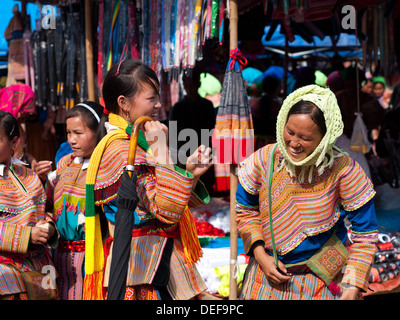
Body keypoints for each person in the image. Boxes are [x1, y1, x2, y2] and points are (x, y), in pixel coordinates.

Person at [83, 59, 212, 300]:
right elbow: (167, 211)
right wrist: (161, 150)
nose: (159, 104)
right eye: (151, 98)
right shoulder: (123, 150)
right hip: (142, 269)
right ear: (124, 103)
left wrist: (191, 175)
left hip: (155, 263)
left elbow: (161, 199)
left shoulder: (134, 144)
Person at [236, 85, 378, 300]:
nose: (293, 143)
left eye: (305, 138)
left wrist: (352, 286)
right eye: (289, 132)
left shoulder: (344, 170)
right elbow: (245, 210)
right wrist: (260, 254)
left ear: (325, 138)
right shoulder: (264, 160)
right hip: (264, 279)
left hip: (321, 283)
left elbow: (365, 235)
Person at [45, 102, 103, 300]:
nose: (72, 140)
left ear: (98, 132)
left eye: (78, 133)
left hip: (92, 259)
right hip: (60, 258)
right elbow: (48, 204)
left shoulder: (106, 166)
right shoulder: (64, 163)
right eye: (68, 133)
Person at [0, 111, 58, 300]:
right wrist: (27, 236)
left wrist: (49, 228)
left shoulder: (28, 175)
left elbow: (44, 212)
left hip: (40, 264)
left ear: (14, 143)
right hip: (6, 271)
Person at [169, 67, 216, 195]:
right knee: (185, 190)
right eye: (187, 86)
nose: (190, 89)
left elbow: (210, 129)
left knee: (205, 190)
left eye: (192, 86)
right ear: (184, 85)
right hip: (183, 156)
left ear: (198, 84)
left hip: (204, 153)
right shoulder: (178, 108)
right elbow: (173, 135)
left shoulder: (207, 106)